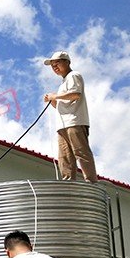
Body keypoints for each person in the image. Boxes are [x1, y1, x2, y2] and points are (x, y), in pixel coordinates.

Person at [43, 50, 98, 183]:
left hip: (75, 121)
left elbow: (75, 94)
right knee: (65, 156)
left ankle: (91, 182)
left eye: (57, 63)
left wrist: (55, 96)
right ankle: (68, 183)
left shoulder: (74, 75)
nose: (54, 67)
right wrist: (52, 100)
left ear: (67, 62)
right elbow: (63, 105)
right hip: (63, 124)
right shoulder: (63, 83)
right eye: (52, 65)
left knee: (81, 152)